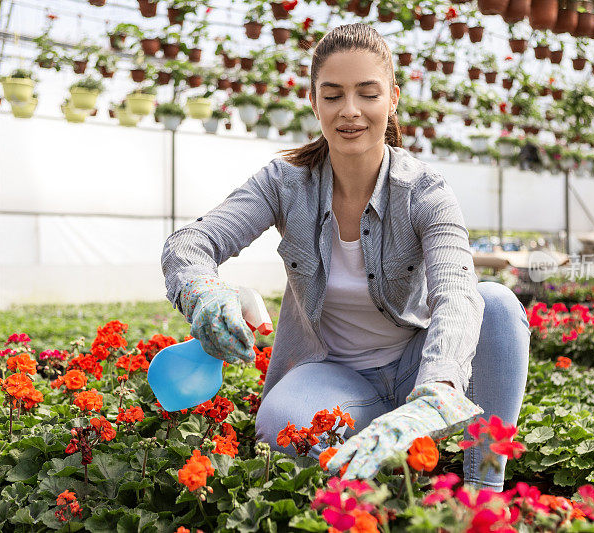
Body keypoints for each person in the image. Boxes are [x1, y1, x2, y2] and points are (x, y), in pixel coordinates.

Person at [161, 23, 530, 491]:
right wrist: (205, 294)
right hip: (334, 376)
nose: (350, 111)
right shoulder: (284, 183)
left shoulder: (424, 191)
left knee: (496, 304)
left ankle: (485, 489)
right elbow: (190, 243)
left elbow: (456, 293)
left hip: (417, 362)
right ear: (314, 102)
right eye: (332, 95)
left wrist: (435, 393)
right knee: (281, 426)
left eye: (367, 94)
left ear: (392, 99)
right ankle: (378, 440)